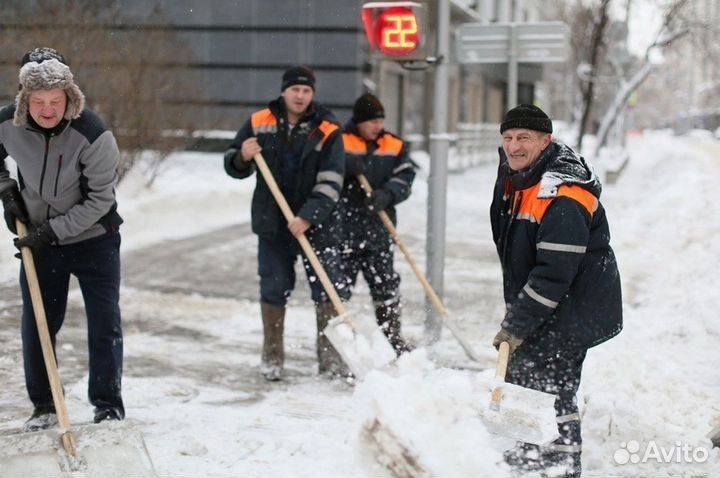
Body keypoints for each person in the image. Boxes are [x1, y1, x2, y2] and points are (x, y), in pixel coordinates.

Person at [489, 104, 622, 477]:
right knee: (527, 385)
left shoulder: (564, 194)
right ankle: (528, 459)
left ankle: (560, 467)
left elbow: (554, 273)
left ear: (546, 140)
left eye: (524, 139)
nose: (513, 146)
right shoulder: (518, 175)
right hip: (546, 301)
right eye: (508, 138)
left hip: (572, 306)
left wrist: (517, 323)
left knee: (551, 392)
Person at [0, 47, 125, 431]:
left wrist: (50, 231)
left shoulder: (93, 133)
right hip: (41, 242)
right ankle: (45, 406)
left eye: (55, 101)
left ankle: (107, 404)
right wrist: (6, 190)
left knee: (104, 322)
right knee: (38, 324)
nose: (47, 109)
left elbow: (100, 201)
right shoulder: (7, 123)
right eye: (38, 101)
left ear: (68, 96)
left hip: (94, 241)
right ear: (25, 99)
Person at [223, 66, 349, 381]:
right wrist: (242, 156)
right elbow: (232, 163)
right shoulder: (259, 121)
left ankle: (331, 360)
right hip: (273, 222)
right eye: (295, 89)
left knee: (326, 289)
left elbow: (333, 179)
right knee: (274, 288)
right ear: (284, 91)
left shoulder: (328, 128)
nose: (300, 95)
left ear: (313, 94)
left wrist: (308, 215)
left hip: (317, 224)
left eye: (306, 91)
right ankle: (272, 359)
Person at [339, 93, 415, 355]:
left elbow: (405, 177)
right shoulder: (339, 141)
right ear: (359, 122)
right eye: (372, 121)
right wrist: (343, 166)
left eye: (380, 121)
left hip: (379, 231)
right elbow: (322, 170)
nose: (377, 126)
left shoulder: (393, 144)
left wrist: (388, 194)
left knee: (386, 286)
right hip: (343, 232)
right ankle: (340, 342)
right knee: (338, 290)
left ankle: (392, 338)